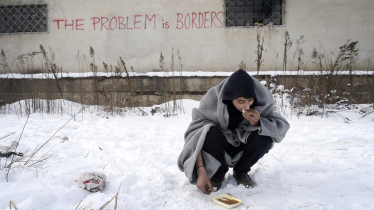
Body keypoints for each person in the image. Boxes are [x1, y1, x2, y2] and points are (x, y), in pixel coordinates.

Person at [177, 69, 290, 195]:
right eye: (241, 101)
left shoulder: (261, 103)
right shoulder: (212, 101)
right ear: (230, 99)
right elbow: (195, 137)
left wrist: (259, 123)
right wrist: (201, 171)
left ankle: (241, 172)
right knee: (208, 132)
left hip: (245, 146)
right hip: (220, 146)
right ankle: (218, 173)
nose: (247, 107)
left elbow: (282, 127)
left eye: (250, 100)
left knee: (264, 138)